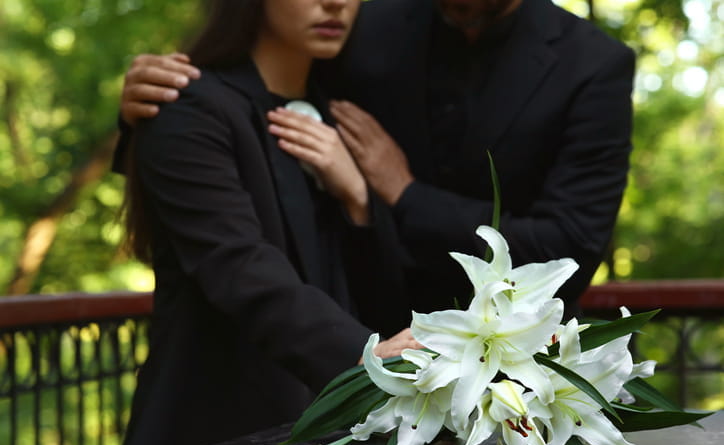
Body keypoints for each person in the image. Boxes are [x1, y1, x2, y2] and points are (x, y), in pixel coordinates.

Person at [118, 0, 635, 317]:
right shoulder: (362, 23)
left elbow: (567, 253)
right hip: (353, 356)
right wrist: (153, 106)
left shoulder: (595, 65)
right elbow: (258, 97)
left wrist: (404, 194)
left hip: (519, 368)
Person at [120, 0, 420, 445]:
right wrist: (361, 357)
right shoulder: (188, 107)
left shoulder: (343, 118)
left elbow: (373, 287)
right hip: (210, 441)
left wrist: (359, 198)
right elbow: (236, 263)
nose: (336, 3)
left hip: (329, 443)